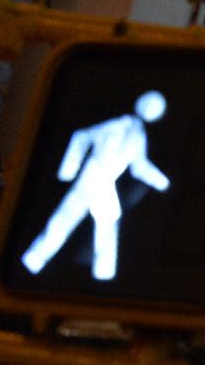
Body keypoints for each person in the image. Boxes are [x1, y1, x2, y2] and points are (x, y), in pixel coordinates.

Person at [21, 90, 170, 281]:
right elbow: (82, 136)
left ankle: (100, 273)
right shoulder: (118, 124)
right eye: (151, 106)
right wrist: (68, 168)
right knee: (73, 220)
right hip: (93, 174)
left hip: (105, 180)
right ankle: (36, 261)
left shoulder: (139, 136)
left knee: (92, 222)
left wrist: (162, 183)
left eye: (156, 109)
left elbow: (139, 166)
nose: (152, 111)